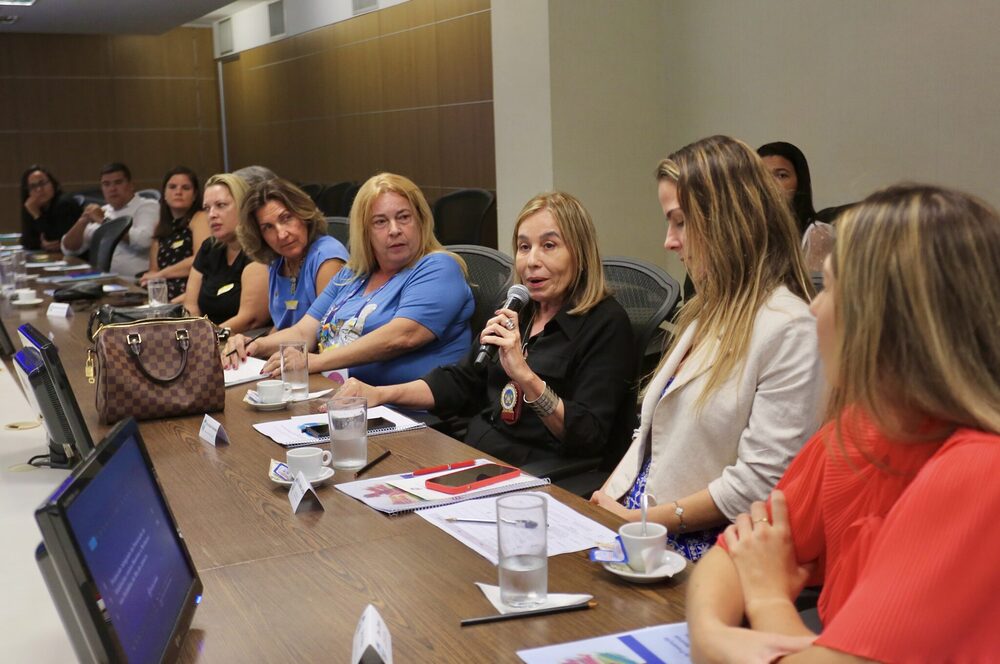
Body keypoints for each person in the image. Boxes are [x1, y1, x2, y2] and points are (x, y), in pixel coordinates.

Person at [687, 184, 1000, 663]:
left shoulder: (981, 470)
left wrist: (768, 600)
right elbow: (732, 555)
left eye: (828, 288)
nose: (814, 307)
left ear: (885, 317)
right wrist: (711, 633)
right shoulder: (857, 430)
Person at [590, 135, 822, 561]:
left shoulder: (790, 329)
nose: (669, 241)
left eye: (679, 222)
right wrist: (607, 501)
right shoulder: (707, 310)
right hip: (642, 526)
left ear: (728, 221)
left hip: (707, 552)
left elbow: (758, 486)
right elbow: (653, 436)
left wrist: (641, 522)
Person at [336, 192, 637, 467]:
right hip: (478, 458)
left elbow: (588, 435)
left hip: (544, 474)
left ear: (580, 254)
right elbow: (462, 381)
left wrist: (525, 376)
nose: (531, 261)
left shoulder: (606, 323)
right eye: (523, 247)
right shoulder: (520, 307)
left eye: (549, 246)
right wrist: (379, 394)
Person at [228, 172, 473, 386]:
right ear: (364, 231)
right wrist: (254, 346)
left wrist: (316, 361)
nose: (394, 229)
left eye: (404, 217)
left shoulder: (438, 267)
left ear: (420, 221)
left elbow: (402, 337)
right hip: (336, 396)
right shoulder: (352, 274)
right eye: (380, 222)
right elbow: (304, 332)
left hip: (405, 415)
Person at [222, 178, 347, 352]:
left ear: (303, 214)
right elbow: (282, 326)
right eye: (268, 227)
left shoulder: (327, 258)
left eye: (286, 218)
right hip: (288, 361)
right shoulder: (278, 261)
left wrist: (260, 347)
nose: (281, 234)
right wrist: (248, 344)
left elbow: (327, 337)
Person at [182, 173, 270, 332]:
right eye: (207, 208)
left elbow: (250, 319)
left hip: (244, 342)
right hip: (205, 341)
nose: (212, 215)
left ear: (243, 206)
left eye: (221, 205)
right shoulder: (209, 248)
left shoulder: (258, 250)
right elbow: (191, 306)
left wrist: (204, 338)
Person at [60, 162, 159, 278]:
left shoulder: (148, 206)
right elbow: (69, 249)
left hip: (134, 281)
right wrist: (83, 220)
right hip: (103, 280)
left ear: (131, 185)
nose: (112, 189)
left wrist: (103, 221)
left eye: (118, 182)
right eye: (106, 184)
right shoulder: (102, 211)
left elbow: (144, 241)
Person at [139, 166, 210, 301]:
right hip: (162, 297)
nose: (178, 192)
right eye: (172, 187)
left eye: (185, 188)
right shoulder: (160, 227)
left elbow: (201, 259)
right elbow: (153, 271)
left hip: (191, 293)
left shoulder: (200, 218)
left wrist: (161, 275)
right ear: (164, 194)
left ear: (195, 195)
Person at [757, 141, 816, 236]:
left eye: (781, 175)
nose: (770, 183)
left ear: (800, 181)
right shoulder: (745, 230)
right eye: (762, 176)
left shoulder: (816, 233)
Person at [18, 165, 82, 252]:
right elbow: (27, 242)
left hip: (78, 259)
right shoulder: (33, 205)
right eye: (33, 186)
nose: (39, 189)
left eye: (42, 183)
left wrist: (37, 215)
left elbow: (52, 240)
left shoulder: (64, 204)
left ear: (53, 183)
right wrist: (42, 244)